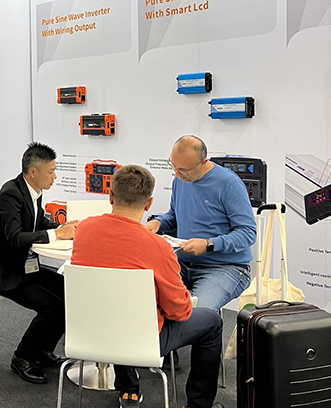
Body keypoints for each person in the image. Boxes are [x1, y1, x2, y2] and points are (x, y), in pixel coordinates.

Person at [71, 165, 223, 408]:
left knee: (114, 310)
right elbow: (179, 312)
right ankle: (198, 405)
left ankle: (129, 389)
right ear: (149, 203)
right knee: (212, 322)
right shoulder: (159, 247)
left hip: (88, 333)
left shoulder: (84, 230)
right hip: (142, 340)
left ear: (111, 196)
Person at [0, 142, 79, 385]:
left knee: (69, 291)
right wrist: (57, 234)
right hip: (6, 272)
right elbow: (15, 238)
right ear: (33, 171)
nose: (55, 177)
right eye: (51, 171)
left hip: (25, 266)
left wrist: (60, 227)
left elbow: (37, 222)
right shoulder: (10, 194)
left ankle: (42, 351)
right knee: (53, 307)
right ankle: (22, 357)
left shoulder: (34, 191)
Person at [145, 135, 256, 311]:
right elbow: (174, 215)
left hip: (224, 267)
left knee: (197, 314)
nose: (177, 174)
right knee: (145, 297)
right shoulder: (180, 180)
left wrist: (209, 244)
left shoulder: (229, 184)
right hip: (182, 264)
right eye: (174, 166)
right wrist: (158, 223)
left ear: (203, 162)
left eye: (184, 170)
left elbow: (248, 233)